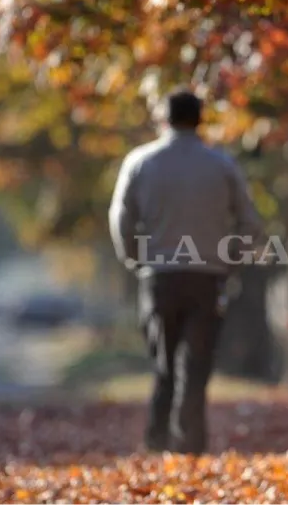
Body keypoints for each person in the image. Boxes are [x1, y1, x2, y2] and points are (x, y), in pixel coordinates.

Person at [108, 88, 264, 454]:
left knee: (164, 363)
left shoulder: (140, 161)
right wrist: (231, 261)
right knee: (197, 365)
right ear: (200, 120)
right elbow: (251, 224)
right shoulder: (222, 165)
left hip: (160, 275)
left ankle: (157, 440)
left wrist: (135, 258)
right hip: (207, 276)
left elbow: (121, 218)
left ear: (163, 119)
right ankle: (191, 444)